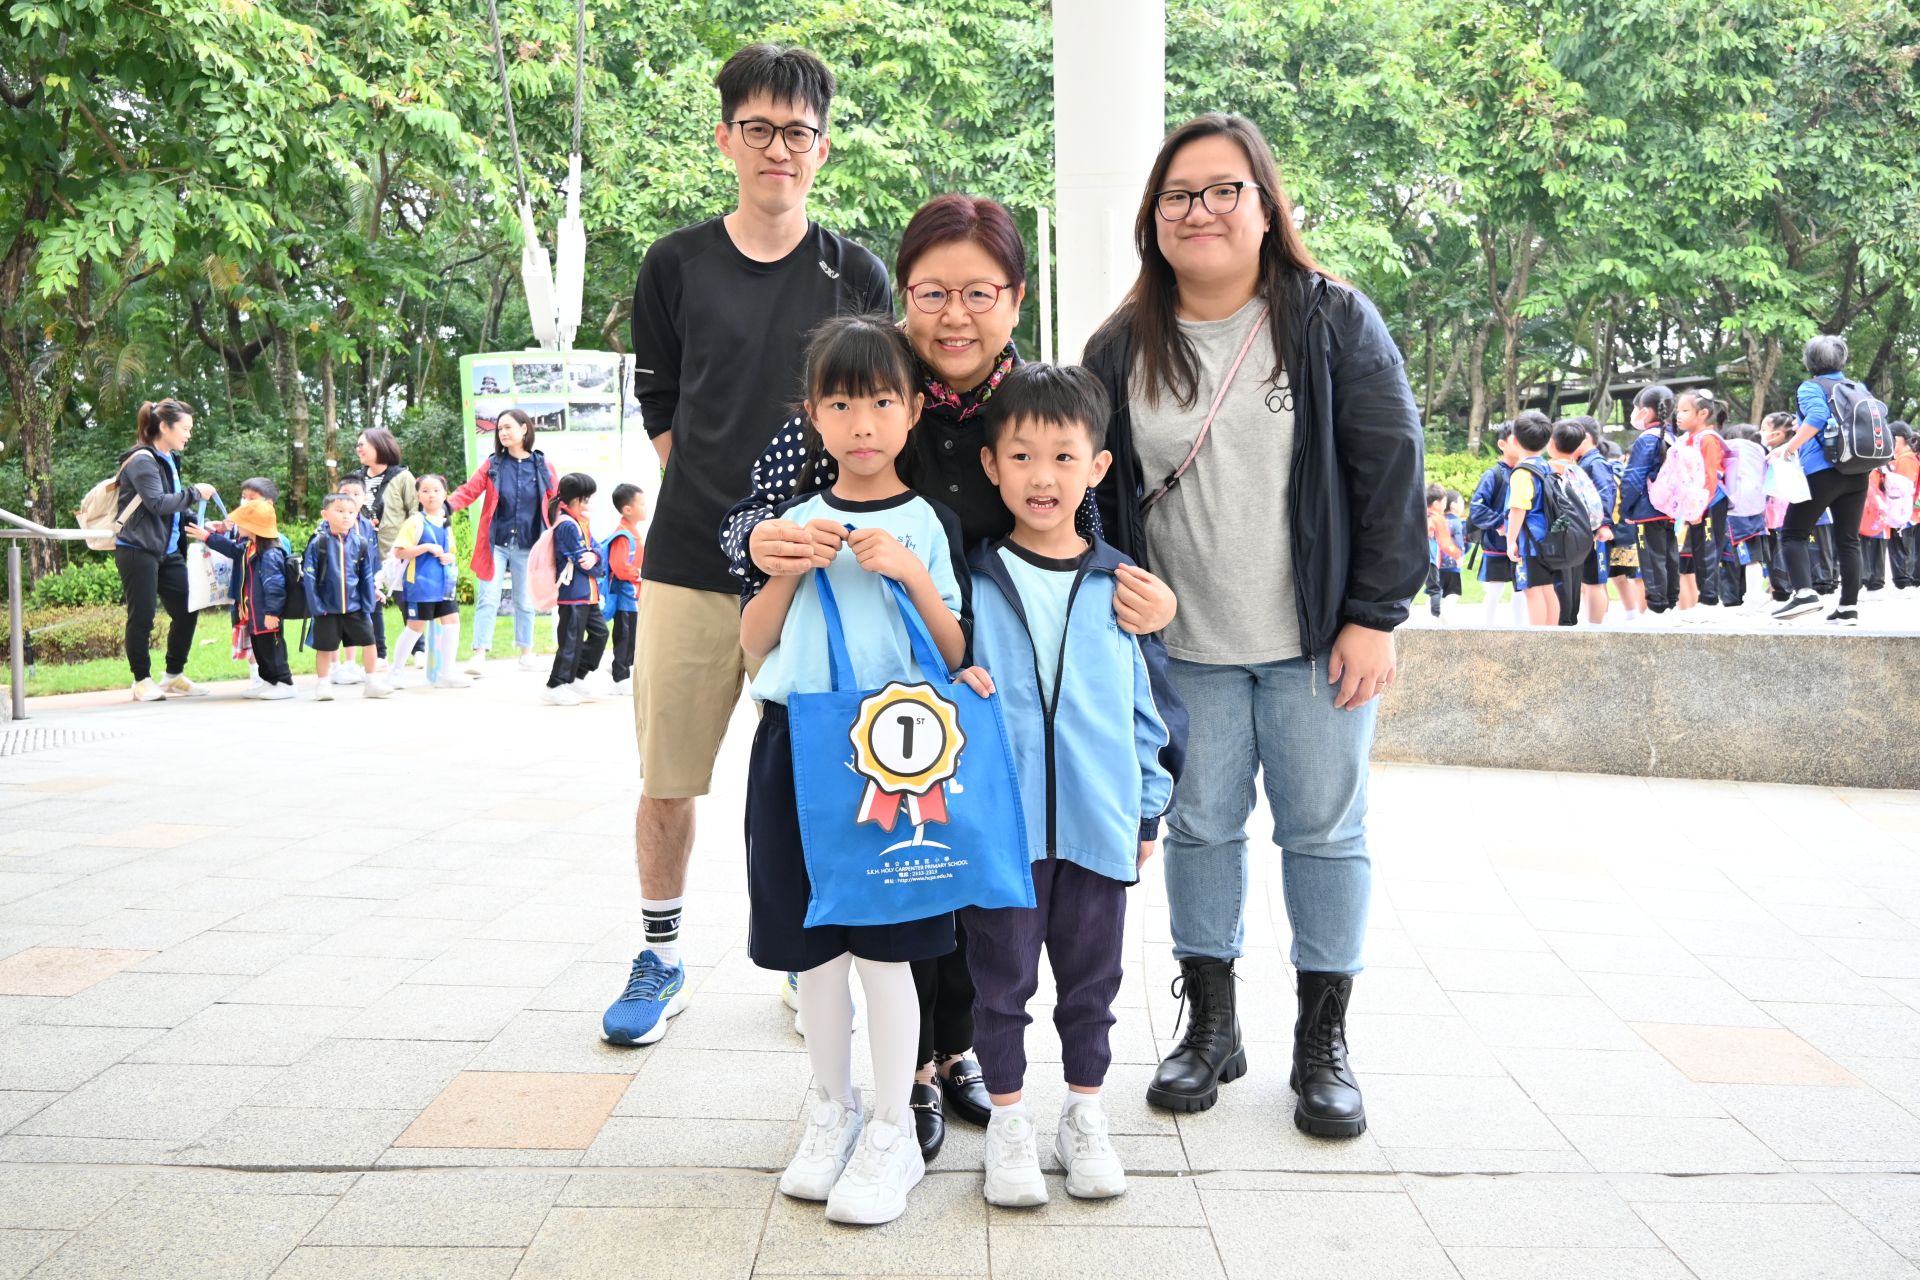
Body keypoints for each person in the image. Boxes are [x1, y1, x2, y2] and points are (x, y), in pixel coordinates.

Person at [722, 192, 1179, 1158]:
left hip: (981, 683)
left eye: (980, 293)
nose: (955, 315)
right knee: (910, 876)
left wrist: (1148, 605)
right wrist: (759, 543)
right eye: (933, 292)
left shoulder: (1037, 403)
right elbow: (754, 518)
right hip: (875, 692)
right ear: (905, 295)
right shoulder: (866, 381)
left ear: (1015, 299)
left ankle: (961, 1052)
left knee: (970, 870)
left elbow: (1099, 538)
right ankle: (915, 1072)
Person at [1082, 113, 1426, 1136]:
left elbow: (1390, 468)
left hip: (1317, 645)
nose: (1201, 210)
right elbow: (1091, 495)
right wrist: (1116, 597)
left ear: (1267, 207)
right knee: (1198, 830)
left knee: (1324, 834)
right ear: (1153, 216)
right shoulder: (1120, 343)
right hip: (1182, 651)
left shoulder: (1331, 320)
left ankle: (1323, 1041)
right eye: (1178, 195)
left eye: (1224, 190)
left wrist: (1374, 616)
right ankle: (1211, 1025)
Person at [607, 43, 893, 1049]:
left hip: (818, 571)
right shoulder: (675, 264)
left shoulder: (855, 271)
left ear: (824, 146)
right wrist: (730, 514)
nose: (780, 149)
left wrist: (799, 529)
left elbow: (874, 411)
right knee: (669, 775)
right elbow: (662, 403)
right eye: (760, 129)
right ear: (726, 138)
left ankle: (811, 958)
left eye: (798, 132)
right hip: (690, 563)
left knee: (821, 772)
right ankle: (660, 953)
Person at [738, 316, 967, 1226]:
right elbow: (756, 645)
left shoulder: (926, 523)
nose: (862, 423)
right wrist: (785, 572)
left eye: (880, 401)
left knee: (886, 951)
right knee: (816, 956)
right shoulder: (792, 522)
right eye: (840, 404)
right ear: (813, 415)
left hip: (896, 760)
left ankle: (891, 1128)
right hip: (795, 743)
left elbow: (954, 650)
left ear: (912, 412)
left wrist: (911, 575)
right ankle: (830, 1111)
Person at [956, 363, 1185, 1208]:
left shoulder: (1123, 589)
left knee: (1093, 987)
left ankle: (1085, 1114)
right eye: (1021, 456)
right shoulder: (974, 582)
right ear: (992, 465)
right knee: (1000, 985)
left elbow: (1150, 710)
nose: (1042, 476)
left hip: (1099, 825)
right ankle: (1009, 1122)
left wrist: (1148, 810)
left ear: (1097, 466)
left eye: (1063, 456)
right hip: (1001, 834)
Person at [112, 399, 218, 702]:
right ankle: (141, 680)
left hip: (167, 552)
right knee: (142, 617)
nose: (189, 434)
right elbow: (157, 503)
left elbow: (172, 508)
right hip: (138, 549)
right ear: (164, 427)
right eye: (185, 428)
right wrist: (194, 493)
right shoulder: (142, 461)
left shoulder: (169, 459)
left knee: (188, 608)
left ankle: (173, 675)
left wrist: (200, 522)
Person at [1772, 335, 1874, 624]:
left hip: (1823, 469)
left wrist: (1789, 447)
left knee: (1793, 533)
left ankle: (1805, 594)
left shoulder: (1811, 387)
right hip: (1858, 471)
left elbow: (1817, 416)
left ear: (1809, 361)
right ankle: (1848, 608)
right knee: (1848, 540)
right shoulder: (1857, 387)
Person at [447, 407, 557, 673]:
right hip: (495, 543)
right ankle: (479, 655)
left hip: (529, 544)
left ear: (524, 429)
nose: (503, 433)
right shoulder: (493, 464)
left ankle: (526, 653)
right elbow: (469, 491)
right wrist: (444, 507)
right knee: (488, 597)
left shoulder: (542, 465)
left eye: (508, 427)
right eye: (499, 429)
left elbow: (557, 501)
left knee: (525, 600)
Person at [191, 495, 293, 700]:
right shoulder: (249, 546)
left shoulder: (270, 553)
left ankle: (285, 683)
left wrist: (272, 612)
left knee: (272, 650)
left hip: (266, 614)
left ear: (254, 527)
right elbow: (231, 549)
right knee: (260, 649)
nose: (237, 525)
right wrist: (208, 537)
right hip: (253, 614)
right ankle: (269, 682)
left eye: (242, 522)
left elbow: (275, 586)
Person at [389, 474, 470, 689]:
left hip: (444, 586)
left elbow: (451, 552)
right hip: (420, 586)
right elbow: (399, 552)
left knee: (452, 623)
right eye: (425, 491)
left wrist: (450, 557)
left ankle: (446, 673)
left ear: (445, 495)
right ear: (418, 496)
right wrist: (425, 548)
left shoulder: (445, 523)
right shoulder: (414, 522)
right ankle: (395, 672)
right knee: (415, 627)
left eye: (436, 490)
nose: (431, 495)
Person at [345, 427, 417, 667]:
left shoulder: (402, 477)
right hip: (363, 550)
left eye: (363, 444)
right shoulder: (355, 479)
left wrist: (412, 544)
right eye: (357, 445)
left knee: (406, 598)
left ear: (380, 445)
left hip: (396, 549)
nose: (358, 449)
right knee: (372, 600)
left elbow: (415, 513)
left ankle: (419, 649)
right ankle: (379, 654)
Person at [302, 492, 382, 700]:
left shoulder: (360, 543)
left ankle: (372, 682)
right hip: (327, 608)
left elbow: (366, 575)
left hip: (356, 607)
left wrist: (368, 603)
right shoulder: (318, 542)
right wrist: (317, 607)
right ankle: (323, 684)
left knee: (369, 642)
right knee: (324, 647)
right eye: (339, 511)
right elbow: (309, 577)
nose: (346, 516)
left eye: (351, 512)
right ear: (325, 514)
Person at [545, 473, 609, 706]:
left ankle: (576, 676)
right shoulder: (567, 525)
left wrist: (595, 556)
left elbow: (597, 549)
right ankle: (555, 685)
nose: (589, 503)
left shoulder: (580, 522)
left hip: (587, 594)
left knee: (600, 634)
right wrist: (595, 559)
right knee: (570, 641)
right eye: (586, 498)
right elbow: (583, 561)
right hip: (573, 595)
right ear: (575, 499)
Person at [1620, 385, 1680, 615]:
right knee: (1670, 557)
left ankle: (1657, 609)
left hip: (1647, 510)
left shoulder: (1647, 439)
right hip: (1669, 509)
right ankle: (1670, 605)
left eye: (1635, 408)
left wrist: (1626, 509)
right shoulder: (1672, 437)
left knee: (1652, 561)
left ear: (1644, 411)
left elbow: (1633, 478)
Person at [1672, 388, 1729, 620]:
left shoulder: (1707, 439)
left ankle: (1709, 602)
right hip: (1697, 504)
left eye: (1685, 410)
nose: (1679, 415)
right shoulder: (1689, 439)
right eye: (1678, 410)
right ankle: (1706, 601)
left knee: (1707, 552)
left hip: (1710, 503)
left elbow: (1709, 476)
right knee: (1699, 551)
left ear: (1703, 413)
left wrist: (1698, 507)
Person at [1503, 413, 1562, 627]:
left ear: (1514, 440)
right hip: (1550, 538)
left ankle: (1538, 639)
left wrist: (1511, 540)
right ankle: (1551, 635)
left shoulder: (1522, 472)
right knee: (1548, 588)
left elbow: (1518, 509)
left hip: (1530, 541)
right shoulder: (1549, 467)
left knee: (1532, 590)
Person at [332, 476, 390, 691]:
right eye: (345, 493)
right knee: (334, 626)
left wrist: (375, 582)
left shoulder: (366, 525)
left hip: (361, 584)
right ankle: (335, 666)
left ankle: (350, 663)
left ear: (365, 498)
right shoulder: (330, 524)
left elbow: (372, 555)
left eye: (356, 494)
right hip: (337, 586)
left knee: (358, 623)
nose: (351, 498)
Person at [1468, 423, 1526, 625]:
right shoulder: (1493, 475)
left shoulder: (1528, 473)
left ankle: (1521, 632)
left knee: (1522, 591)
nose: (1521, 444)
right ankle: (1487, 630)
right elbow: (1477, 508)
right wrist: (1501, 524)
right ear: (1502, 444)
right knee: (1494, 591)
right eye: (1516, 440)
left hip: (1522, 544)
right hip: (1497, 544)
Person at [1575, 419, 1619, 625]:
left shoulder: (1595, 463)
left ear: (1585, 438)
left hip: (1597, 530)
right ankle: (1594, 624)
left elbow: (1606, 493)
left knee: (1594, 581)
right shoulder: (1584, 462)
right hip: (1587, 530)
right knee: (1589, 581)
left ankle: (1596, 628)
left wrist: (1604, 524)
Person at [604, 483, 645, 695]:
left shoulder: (631, 533)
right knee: (624, 638)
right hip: (624, 597)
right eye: (642, 504)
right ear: (627, 509)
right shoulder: (623, 535)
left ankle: (622, 673)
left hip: (632, 596)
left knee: (631, 637)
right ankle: (619, 678)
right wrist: (639, 574)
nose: (646, 508)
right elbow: (619, 567)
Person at [1423, 483, 1464, 620]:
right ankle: (1435, 618)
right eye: (1444, 502)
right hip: (1430, 559)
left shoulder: (1420, 514)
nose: (1445, 506)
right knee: (1435, 589)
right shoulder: (1438, 519)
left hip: (1414, 557)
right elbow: (1445, 543)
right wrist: (1457, 555)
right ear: (1436, 504)